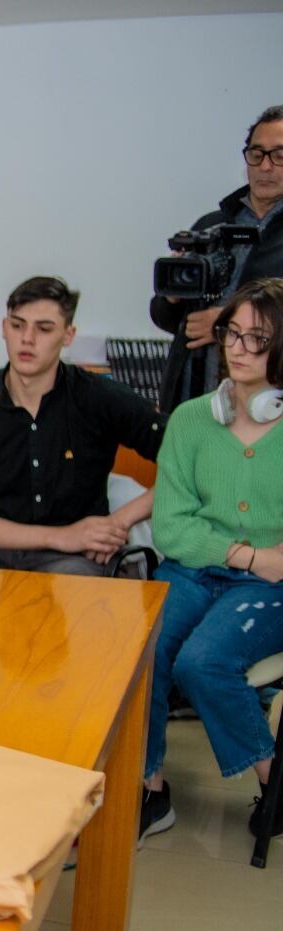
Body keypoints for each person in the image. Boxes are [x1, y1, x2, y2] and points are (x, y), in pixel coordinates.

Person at [141, 278, 283, 841]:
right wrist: (248, 554)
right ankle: (149, 789)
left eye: (259, 338)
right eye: (232, 334)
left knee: (202, 662)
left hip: (271, 585)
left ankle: (275, 787)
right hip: (198, 570)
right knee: (142, 652)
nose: (238, 348)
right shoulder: (191, 420)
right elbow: (172, 526)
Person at [0, 276, 164, 576]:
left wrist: (119, 522)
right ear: (4, 328)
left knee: (75, 596)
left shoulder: (98, 397)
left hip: (73, 561)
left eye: (44, 328)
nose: (27, 339)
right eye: (17, 325)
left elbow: (189, 462)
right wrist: (61, 536)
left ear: (68, 335)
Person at [155, 105, 283, 412]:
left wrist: (227, 323)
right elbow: (165, 317)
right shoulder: (212, 224)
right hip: (191, 395)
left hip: (263, 406)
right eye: (257, 154)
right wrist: (171, 298)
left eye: (279, 155)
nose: (266, 166)